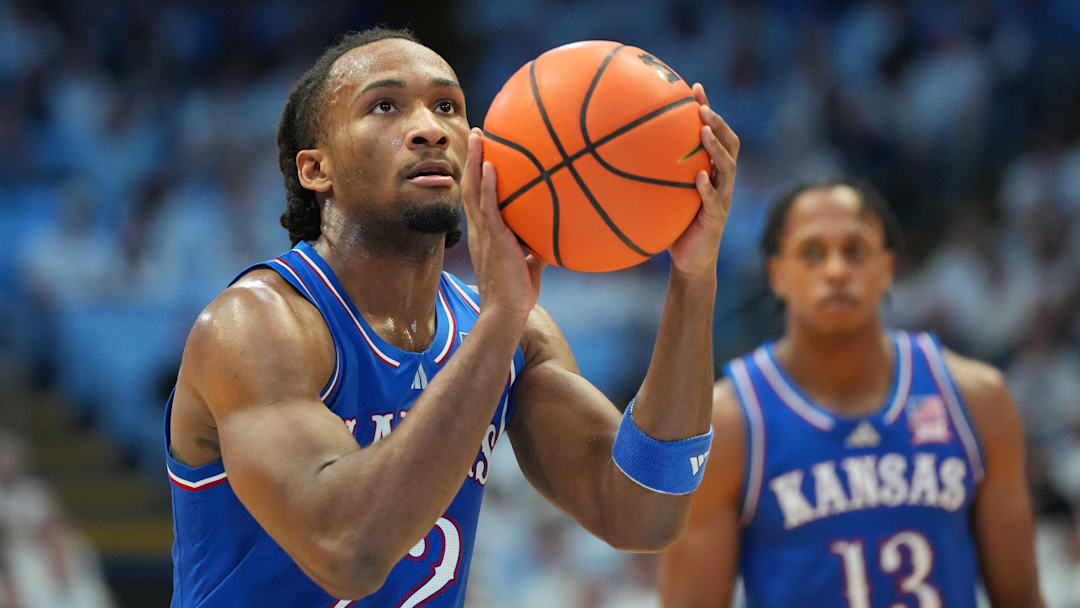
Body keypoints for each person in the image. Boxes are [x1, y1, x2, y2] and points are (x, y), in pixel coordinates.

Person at [165, 26, 739, 607]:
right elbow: (348, 552)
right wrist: (499, 323)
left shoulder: (514, 331)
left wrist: (693, 281)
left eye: (448, 107)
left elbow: (641, 514)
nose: (430, 128)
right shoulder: (257, 326)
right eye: (384, 106)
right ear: (317, 170)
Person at [659, 179, 1044, 607]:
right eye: (813, 253)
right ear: (777, 274)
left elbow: (1021, 598)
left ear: (888, 266)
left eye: (855, 250)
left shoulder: (977, 399)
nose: (837, 270)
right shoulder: (729, 424)